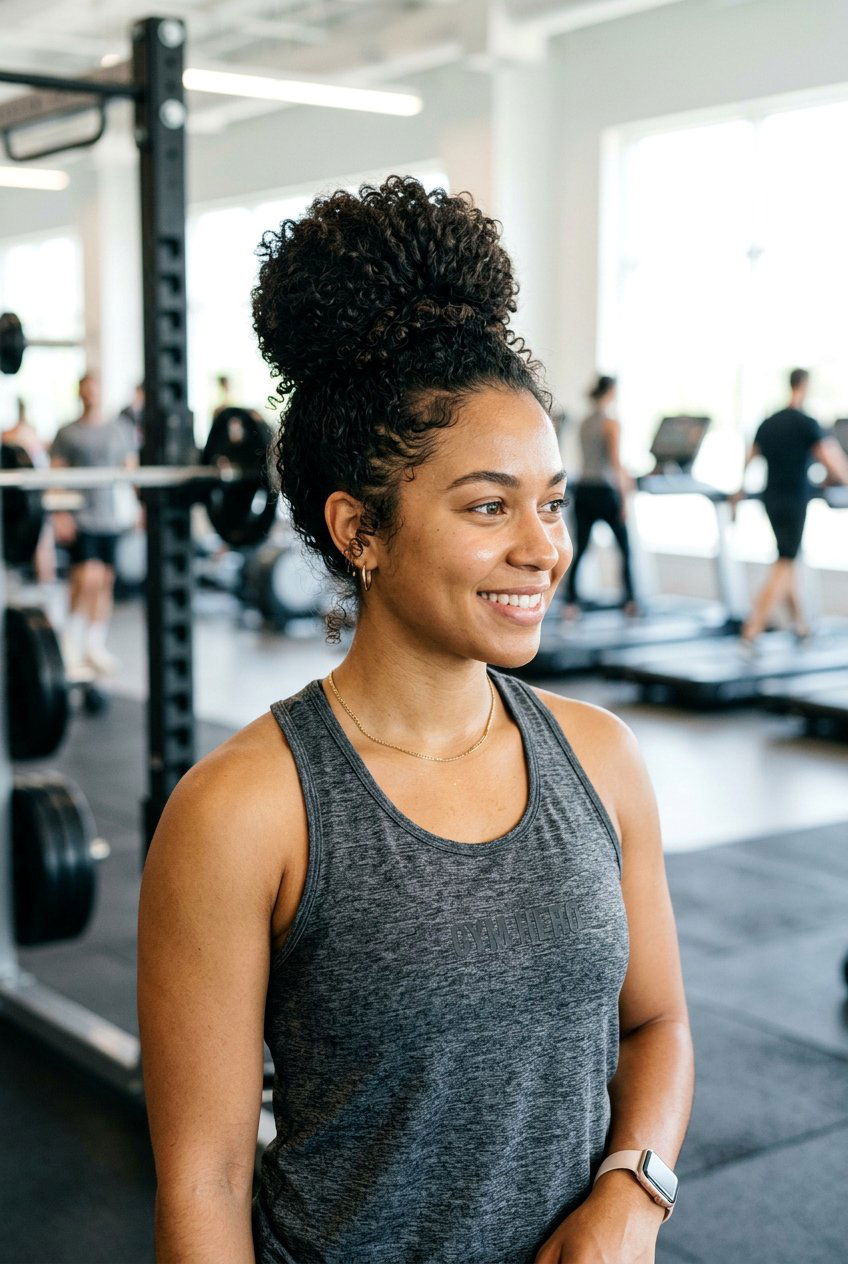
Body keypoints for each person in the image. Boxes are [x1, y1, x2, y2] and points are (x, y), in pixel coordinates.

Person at [138, 177, 693, 1264]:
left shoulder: (598, 758)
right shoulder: (246, 811)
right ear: (360, 530)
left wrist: (631, 1196)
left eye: (548, 500)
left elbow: (657, 1025)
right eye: (488, 506)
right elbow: (202, 1187)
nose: (542, 547)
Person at [735, 368, 848, 644]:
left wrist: (738, 490)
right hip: (795, 499)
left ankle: (801, 624)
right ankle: (753, 626)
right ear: (805, 386)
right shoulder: (806, 423)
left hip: (770, 498)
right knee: (785, 560)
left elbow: (750, 457)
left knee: (789, 556)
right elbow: (831, 459)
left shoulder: (770, 421)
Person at [49, 371, 140, 676]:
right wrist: (59, 515)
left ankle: (93, 645)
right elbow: (55, 477)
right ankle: (70, 642)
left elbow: (131, 472)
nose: (90, 394)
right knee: (86, 578)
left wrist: (142, 507)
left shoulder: (119, 429)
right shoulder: (67, 433)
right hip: (81, 516)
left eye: (95, 388)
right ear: (79, 393)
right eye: (85, 389)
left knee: (104, 583)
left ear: (101, 392)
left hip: (110, 517)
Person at [563, 374, 637, 618]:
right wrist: (625, 498)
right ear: (610, 393)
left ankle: (570, 603)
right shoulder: (611, 423)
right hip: (605, 491)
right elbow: (615, 464)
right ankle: (630, 601)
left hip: (583, 489)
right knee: (625, 549)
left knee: (580, 548)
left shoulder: (584, 422)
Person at [3, 396, 57, 584]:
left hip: (34, 497)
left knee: (43, 544)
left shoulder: (24, 434)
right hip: (26, 501)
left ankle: (46, 587)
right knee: (42, 544)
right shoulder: (12, 436)